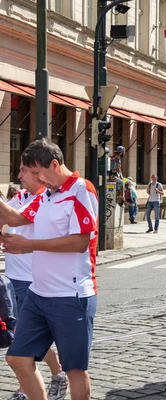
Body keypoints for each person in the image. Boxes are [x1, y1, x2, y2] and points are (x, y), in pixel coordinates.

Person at [0, 139, 98, 400]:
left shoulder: (81, 189)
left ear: (54, 164)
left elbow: (80, 242)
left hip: (71, 294)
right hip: (38, 293)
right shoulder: (45, 194)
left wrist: (29, 244)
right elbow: (18, 219)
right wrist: (23, 247)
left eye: (36, 173)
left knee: (74, 369)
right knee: (17, 358)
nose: (34, 179)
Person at [3, 163, 68, 400]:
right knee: (23, 336)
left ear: (39, 174)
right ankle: (55, 373)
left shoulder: (43, 200)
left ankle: (29, 388)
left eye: (23, 170)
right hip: (13, 276)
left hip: (32, 279)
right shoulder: (20, 196)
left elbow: (15, 218)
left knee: (23, 337)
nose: (18, 175)